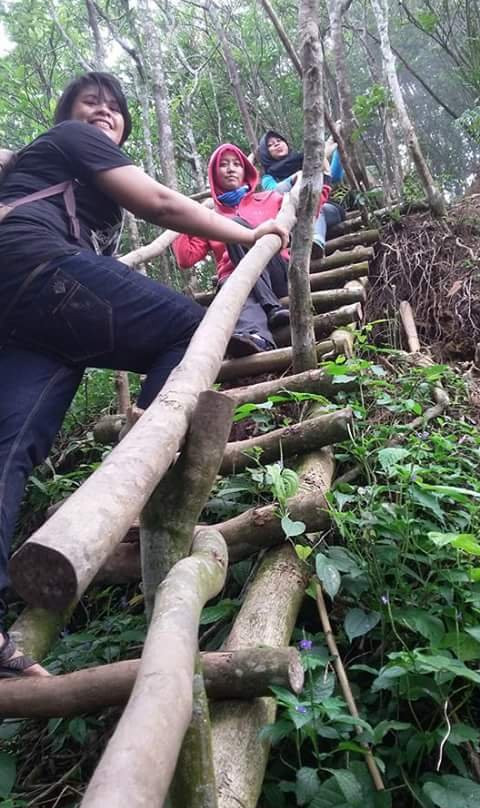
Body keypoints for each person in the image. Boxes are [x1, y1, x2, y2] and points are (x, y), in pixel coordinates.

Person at [0, 72, 288, 677]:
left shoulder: (40, 160)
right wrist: (248, 233)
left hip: (27, 313)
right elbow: (159, 203)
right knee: (191, 331)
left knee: (10, 453)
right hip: (41, 269)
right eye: (90, 103)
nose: (103, 113)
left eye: (114, 108)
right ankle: (142, 489)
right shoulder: (73, 140)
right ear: (68, 114)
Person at [173, 143, 332, 354]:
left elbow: (310, 210)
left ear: (245, 171)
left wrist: (325, 177)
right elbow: (185, 258)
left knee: (235, 229)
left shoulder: (270, 198)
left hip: (278, 272)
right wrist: (180, 219)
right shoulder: (211, 218)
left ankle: (270, 306)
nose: (231, 169)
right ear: (214, 174)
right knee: (235, 285)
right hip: (236, 281)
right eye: (223, 165)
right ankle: (257, 337)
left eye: (237, 164)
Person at [258, 129, 345, 253]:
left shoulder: (304, 160)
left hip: (325, 209)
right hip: (292, 218)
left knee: (312, 205)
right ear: (266, 153)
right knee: (305, 208)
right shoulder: (269, 177)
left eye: (279, 141)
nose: (276, 144)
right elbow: (275, 192)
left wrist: (339, 150)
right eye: (270, 145)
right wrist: (298, 176)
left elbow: (334, 176)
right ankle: (311, 243)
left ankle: (315, 243)